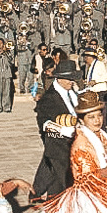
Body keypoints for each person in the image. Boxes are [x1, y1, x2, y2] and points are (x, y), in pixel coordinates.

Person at [31, 59, 81, 202]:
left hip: (72, 141)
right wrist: (65, 131)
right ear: (59, 78)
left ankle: (37, 194)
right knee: (64, 177)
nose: (72, 82)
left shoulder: (72, 93)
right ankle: (55, 204)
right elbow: (45, 124)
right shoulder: (49, 99)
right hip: (59, 143)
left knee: (50, 170)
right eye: (69, 79)